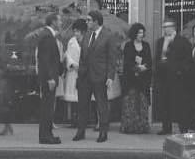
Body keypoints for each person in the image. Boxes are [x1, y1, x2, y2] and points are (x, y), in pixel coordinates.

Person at [75, 9, 115, 143]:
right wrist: (80, 70)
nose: (86, 22)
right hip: (85, 76)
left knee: (101, 105)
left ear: (96, 21)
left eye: (89, 20)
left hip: (99, 76)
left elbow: (112, 59)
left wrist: (110, 77)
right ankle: (80, 131)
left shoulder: (108, 36)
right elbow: (82, 56)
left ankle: (103, 132)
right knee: (82, 105)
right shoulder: (87, 35)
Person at [154, 18, 191, 135]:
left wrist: (180, 71)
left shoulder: (183, 41)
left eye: (168, 26)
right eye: (164, 26)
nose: (166, 28)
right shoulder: (160, 41)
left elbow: (187, 59)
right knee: (165, 103)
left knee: (180, 103)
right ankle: (166, 128)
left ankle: (183, 128)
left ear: (174, 27)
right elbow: (157, 57)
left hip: (178, 77)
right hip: (163, 77)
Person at [35, 13, 63, 145]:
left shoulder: (47, 34)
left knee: (48, 107)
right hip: (49, 79)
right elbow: (45, 60)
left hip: (49, 78)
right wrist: (50, 78)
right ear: (53, 21)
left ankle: (48, 134)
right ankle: (45, 136)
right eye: (59, 20)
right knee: (47, 107)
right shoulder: (47, 36)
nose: (61, 22)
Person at [120, 22, 152, 134]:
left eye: (142, 33)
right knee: (130, 103)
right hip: (130, 79)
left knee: (142, 102)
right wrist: (137, 68)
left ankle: (142, 126)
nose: (141, 35)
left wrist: (145, 67)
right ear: (134, 33)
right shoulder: (128, 45)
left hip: (143, 80)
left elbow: (149, 61)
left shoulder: (146, 45)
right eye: (139, 33)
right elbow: (127, 63)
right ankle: (129, 127)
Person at [61, 19, 86, 127]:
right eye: (74, 31)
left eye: (78, 31)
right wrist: (72, 64)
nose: (75, 33)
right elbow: (68, 55)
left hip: (84, 72)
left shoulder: (88, 41)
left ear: (83, 31)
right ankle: (73, 119)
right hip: (73, 72)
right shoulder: (71, 41)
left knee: (84, 96)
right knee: (72, 97)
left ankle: (84, 118)